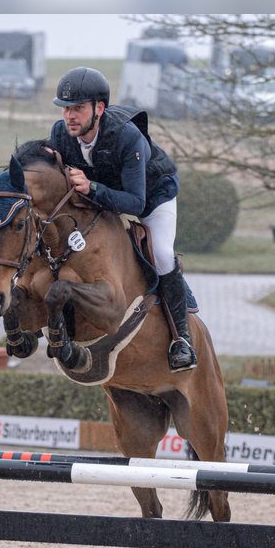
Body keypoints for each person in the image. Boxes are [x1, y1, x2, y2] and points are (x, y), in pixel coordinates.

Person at [46, 66, 195, 372]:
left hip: (151, 198)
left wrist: (92, 187)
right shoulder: (61, 134)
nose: (70, 116)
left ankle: (182, 339)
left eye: (78, 108)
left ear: (99, 108)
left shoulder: (127, 137)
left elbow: (136, 203)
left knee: (163, 254)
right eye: (66, 109)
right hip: (99, 199)